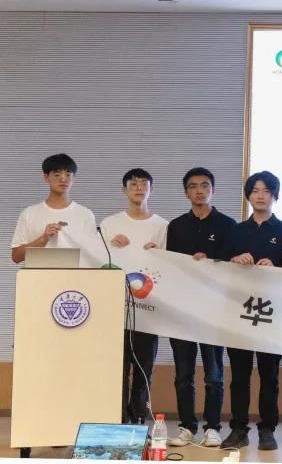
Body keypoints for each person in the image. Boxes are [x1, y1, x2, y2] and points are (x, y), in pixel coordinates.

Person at [219, 171, 282, 450]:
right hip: (239, 312)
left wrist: (277, 268)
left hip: (272, 314)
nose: (260, 196)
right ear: (248, 196)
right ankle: (238, 428)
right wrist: (234, 259)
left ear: (275, 195)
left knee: (269, 375)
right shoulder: (235, 230)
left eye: (266, 191)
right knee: (239, 375)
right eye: (255, 191)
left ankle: (267, 429)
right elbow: (219, 266)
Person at [165, 167, 237, 447]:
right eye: (193, 186)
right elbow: (169, 266)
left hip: (214, 309)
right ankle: (186, 427)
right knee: (183, 373)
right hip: (182, 309)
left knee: (214, 374)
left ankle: (213, 427)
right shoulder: (176, 226)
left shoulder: (228, 225)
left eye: (205, 185)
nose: (199, 191)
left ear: (213, 190)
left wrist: (211, 262)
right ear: (186, 193)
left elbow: (232, 268)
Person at [99, 168, 168, 425]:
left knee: (143, 366)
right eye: (133, 184)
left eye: (144, 184)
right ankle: (117, 417)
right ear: (124, 190)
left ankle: (139, 416)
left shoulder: (162, 226)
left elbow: (171, 266)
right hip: (116, 306)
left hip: (149, 307)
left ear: (152, 189)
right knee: (118, 365)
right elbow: (100, 260)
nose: (139, 188)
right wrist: (109, 244)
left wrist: (160, 252)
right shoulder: (109, 224)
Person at [10, 153, 96, 264]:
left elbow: (92, 255)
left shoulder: (85, 214)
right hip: (37, 274)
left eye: (68, 174)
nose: (63, 179)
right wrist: (43, 239)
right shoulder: (29, 213)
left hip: (74, 274)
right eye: (57, 174)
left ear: (73, 178)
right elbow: (16, 257)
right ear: (46, 177)